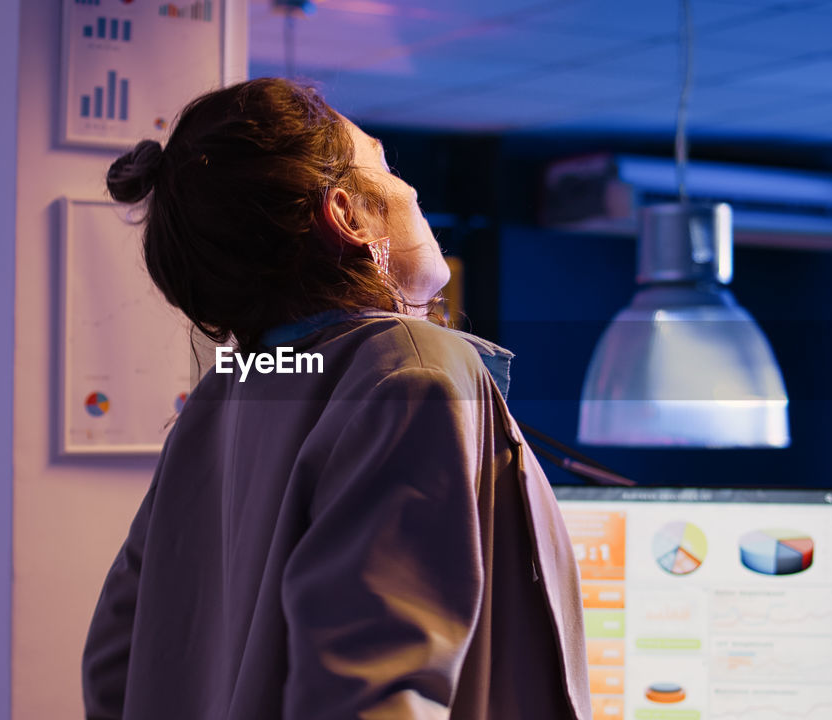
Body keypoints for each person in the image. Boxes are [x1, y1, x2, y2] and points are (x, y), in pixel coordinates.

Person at [81, 77, 590, 720]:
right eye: (385, 164)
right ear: (346, 214)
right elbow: (371, 697)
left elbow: (112, 668)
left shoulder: (226, 393)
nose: (411, 189)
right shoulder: (413, 370)